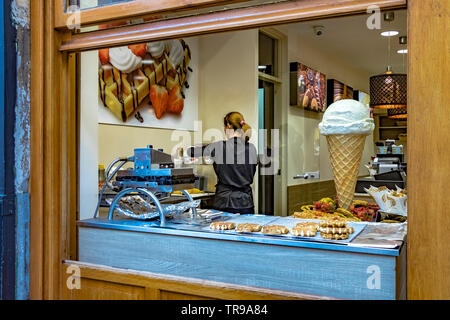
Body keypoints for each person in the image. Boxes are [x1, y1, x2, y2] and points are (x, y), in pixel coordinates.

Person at [204, 111, 258, 214]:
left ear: (228, 126)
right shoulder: (252, 148)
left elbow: (191, 151)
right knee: (245, 229)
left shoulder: (218, 147)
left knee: (223, 229)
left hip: (224, 201)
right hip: (245, 203)